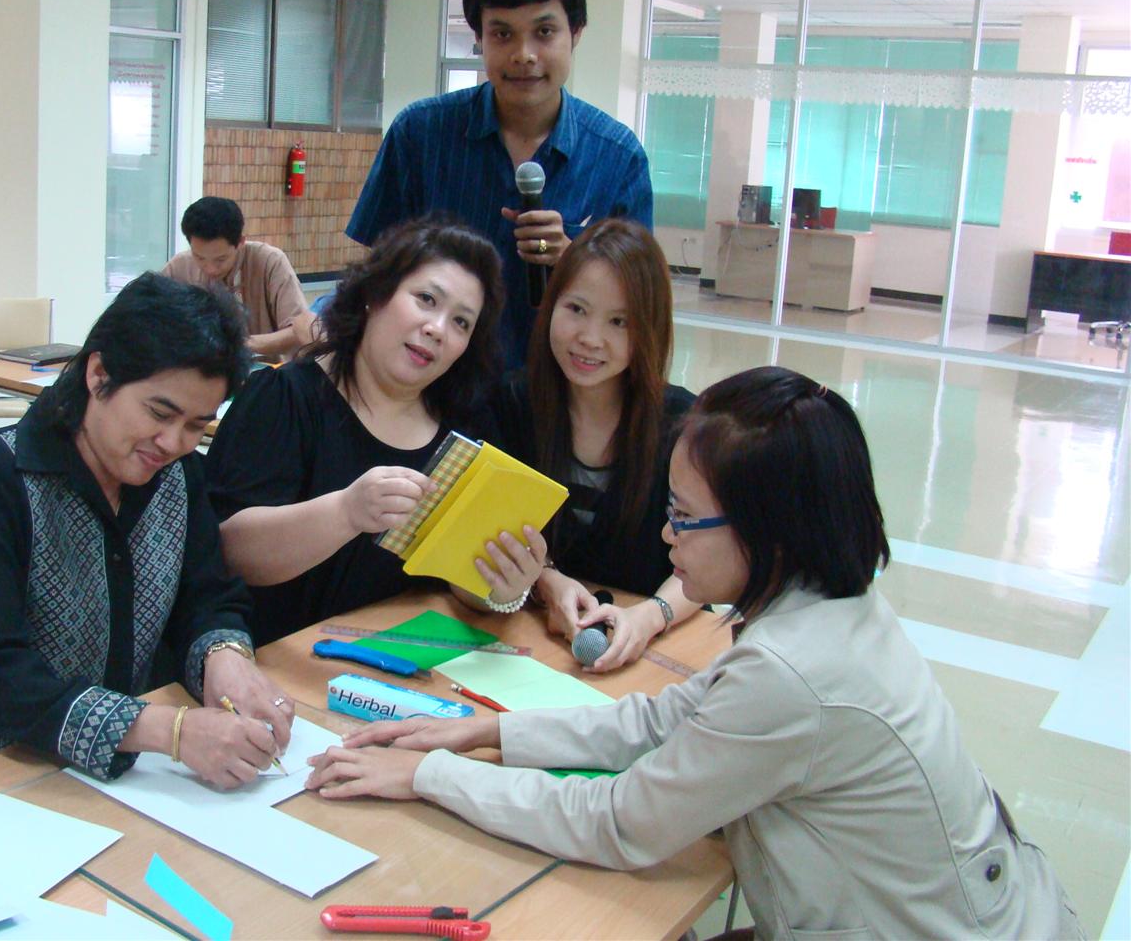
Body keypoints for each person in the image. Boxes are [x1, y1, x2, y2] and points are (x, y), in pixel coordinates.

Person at [306, 367, 1085, 941]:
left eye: (684, 517)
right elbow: (664, 719)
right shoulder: (827, 607)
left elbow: (621, 823)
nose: (666, 535)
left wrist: (428, 776)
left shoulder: (793, 673)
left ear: (767, 527)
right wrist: (483, 732)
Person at [0, 273, 295, 793]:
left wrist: (224, 657)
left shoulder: (179, 476)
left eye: (196, 425)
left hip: (114, 781)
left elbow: (207, 595)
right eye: (159, 412)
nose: (173, 442)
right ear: (99, 374)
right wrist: (167, 730)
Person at [205, 217, 543, 646]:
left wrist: (501, 588)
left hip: (403, 665)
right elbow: (228, 551)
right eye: (426, 299)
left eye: (461, 322)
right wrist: (346, 512)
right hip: (280, 664)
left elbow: (457, 582)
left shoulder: (466, 429)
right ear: (374, 294)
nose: (437, 329)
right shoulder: (283, 398)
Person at [346, 0, 654, 370]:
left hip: (555, 387)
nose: (523, 55)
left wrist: (576, 259)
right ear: (479, 38)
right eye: (502, 34)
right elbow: (376, 272)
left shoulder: (618, 158)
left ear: (576, 33)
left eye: (544, 32)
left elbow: (640, 301)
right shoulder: (419, 133)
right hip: (431, 383)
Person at [486, 219, 697, 671]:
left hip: (656, 650)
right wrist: (548, 581)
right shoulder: (511, 403)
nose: (589, 338)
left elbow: (712, 554)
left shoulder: (682, 423)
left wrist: (650, 616)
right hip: (534, 644)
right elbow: (495, 532)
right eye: (576, 309)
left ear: (649, 329)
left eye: (619, 321)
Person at [162, 196, 316, 360]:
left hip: (266, 369)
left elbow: (300, 330)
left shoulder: (270, 261)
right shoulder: (179, 267)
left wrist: (239, 344)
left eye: (221, 259)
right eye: (199, 258)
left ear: (241, 242)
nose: (210, 269)